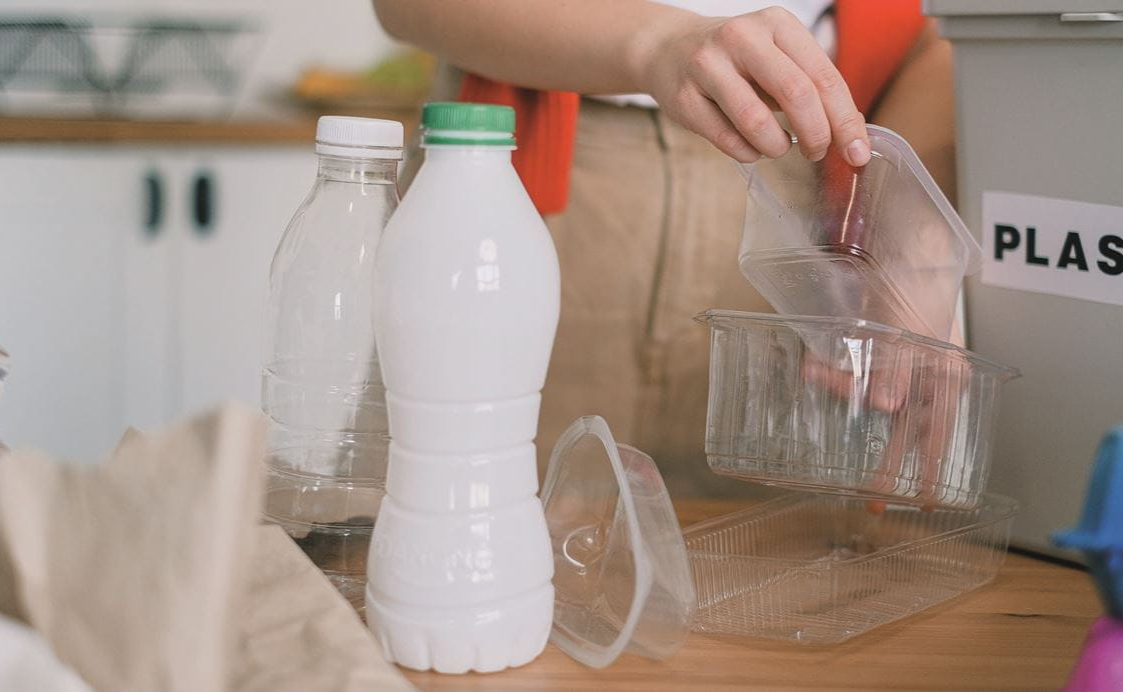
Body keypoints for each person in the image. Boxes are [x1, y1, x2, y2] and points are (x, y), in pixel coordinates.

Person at [372, 0, 957, 496]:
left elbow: (937, 35)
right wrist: (657, 42)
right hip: (541, 173)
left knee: (761, 569)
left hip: (804, 192)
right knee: (461, 522)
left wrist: (904, 233)